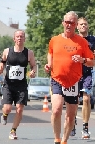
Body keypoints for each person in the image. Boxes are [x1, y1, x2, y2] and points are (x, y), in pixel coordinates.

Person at [44, 11, 94, 144]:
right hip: (57, 79)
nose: (69, 25)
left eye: (72, 22)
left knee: (71, 117)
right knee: (56, 109)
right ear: (63, 23)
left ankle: (64, 141)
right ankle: (57, 138)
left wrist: (83, 60)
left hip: (74, 81)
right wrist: (49, 64)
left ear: (75, 25)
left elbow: (92, 61)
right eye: (67, 22)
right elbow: (50, 53)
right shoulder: (54, 40)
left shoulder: (82, 42)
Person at [0, 30, 36, 140]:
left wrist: (33, 72)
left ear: (24, 39)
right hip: (9, 84)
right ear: (14, 39)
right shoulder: (7, 51)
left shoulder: (29, 53)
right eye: (17, 36)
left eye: (22, 36)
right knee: (8, 108)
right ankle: (5, 115)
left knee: (19, 109)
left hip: (21, 85)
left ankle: (13, 131)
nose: (19, 38)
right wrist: (1, 68)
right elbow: (2, 61)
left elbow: (33, 65)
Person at [70, 17, 95, 138]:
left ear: (88, 26)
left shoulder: (93, 40)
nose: (83, 26)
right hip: (74, 73)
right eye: (81, 24)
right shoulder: (73, 39)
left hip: (88, 73)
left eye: (85, 24)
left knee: (86, 99)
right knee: (74, 101)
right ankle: (72, 124)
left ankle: (85, 128)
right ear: (77, 26)